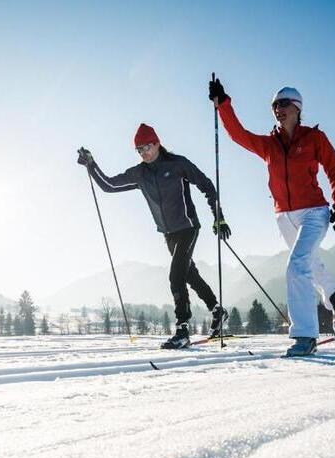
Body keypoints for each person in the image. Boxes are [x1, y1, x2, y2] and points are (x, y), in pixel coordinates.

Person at [209, 78, 335, 357]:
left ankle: (305, 335)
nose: (278, 109)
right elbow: (238, 135)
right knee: (310, 264)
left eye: (283, 104)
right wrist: (223, 104)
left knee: (297, 266)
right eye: (274, 105)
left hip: (314, 212)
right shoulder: (269, 145)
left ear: (297, 108)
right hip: (283, 216)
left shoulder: (314, 139)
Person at [77, 123, 230, 349]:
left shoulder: (178, 164)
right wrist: (91, 165)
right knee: (189, 274)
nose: (144, 152)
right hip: (168, 233)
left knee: (176, 275)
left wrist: (218, 216)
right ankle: (218, 311)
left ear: (157, 143)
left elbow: (207, 185)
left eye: (147, 147)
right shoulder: (140, 173)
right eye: (139, 149)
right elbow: (109, 185)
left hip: (188, 227)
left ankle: (182, 330)